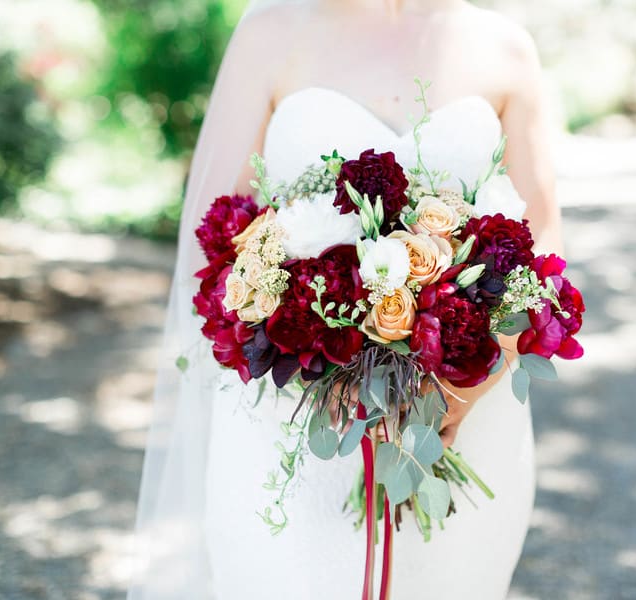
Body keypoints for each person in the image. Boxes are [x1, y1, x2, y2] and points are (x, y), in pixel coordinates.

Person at [127, 1, 562, 598]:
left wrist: (462, 392)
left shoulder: (505, 47)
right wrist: (311, 344)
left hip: (468, 410)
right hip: (292, 417)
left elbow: (543, 251)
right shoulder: (269, 33)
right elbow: (219, 236)